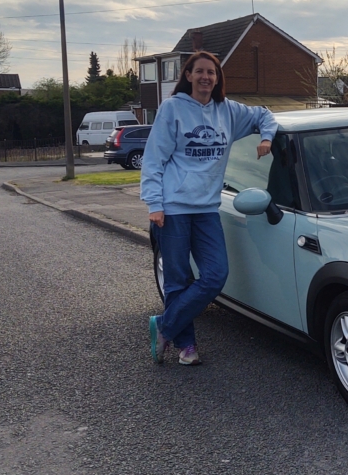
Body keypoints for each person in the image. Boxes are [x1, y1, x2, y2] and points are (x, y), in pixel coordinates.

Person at [140, 51, 277, 366]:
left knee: (216, 275)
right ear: (188, 75)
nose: (206, 77)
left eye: (211, 73)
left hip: (206, 209)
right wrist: (155, 204)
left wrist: (266, 138)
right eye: (199, 71)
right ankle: (186, 346)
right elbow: (154, 159)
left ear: (218, 78)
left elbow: (264, 115)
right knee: (178, 279)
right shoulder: (172, 109)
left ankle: (164, 326)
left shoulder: (227, 111)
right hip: (172, 209)